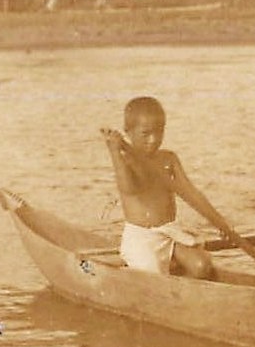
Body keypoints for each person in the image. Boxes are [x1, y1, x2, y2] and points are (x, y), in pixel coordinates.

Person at [100, 96, 245, 279]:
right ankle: (155, 291)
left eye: (159, 132)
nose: (153, 140)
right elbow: (129, 189)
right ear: (129, 132)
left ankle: (183, 298)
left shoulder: (168, 160)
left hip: (169, 233)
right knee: (151, 273)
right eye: (146, 134)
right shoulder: (127, 162)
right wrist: (114, 152)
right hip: (141, 238)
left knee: (202, 265)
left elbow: (192, 194)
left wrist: (220, 223)